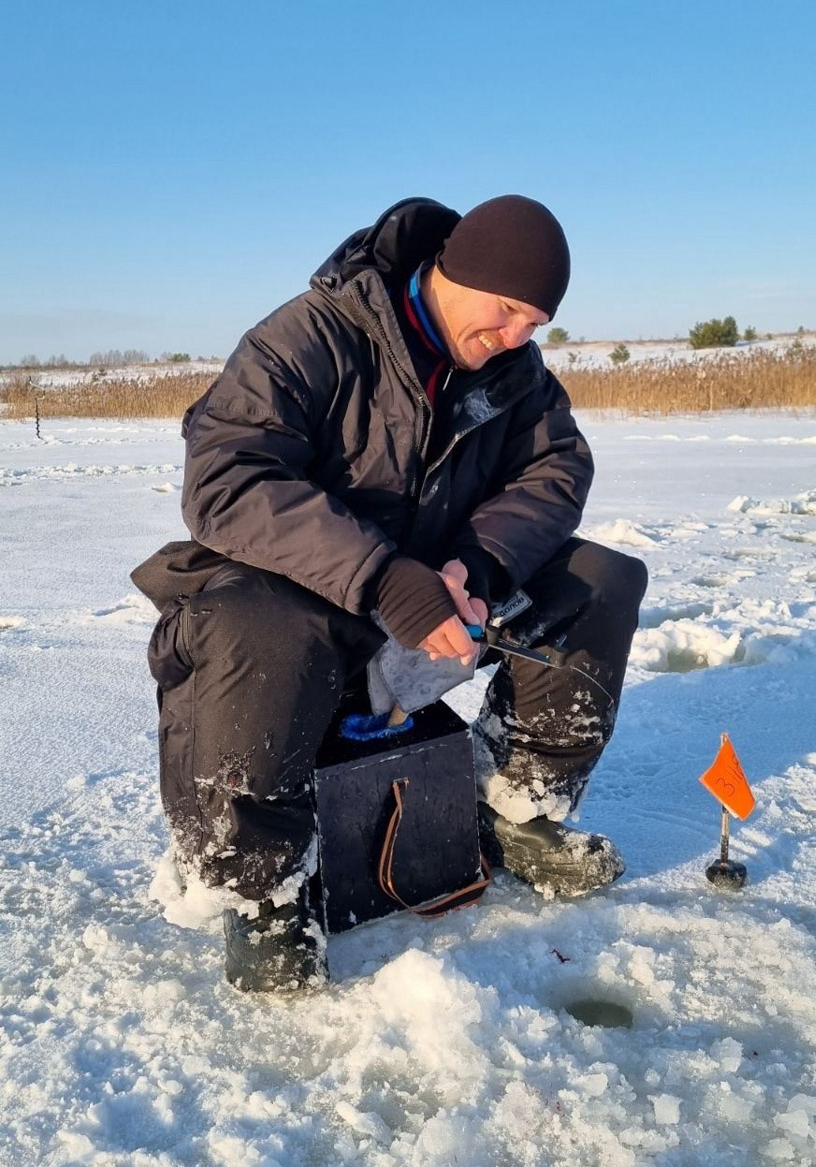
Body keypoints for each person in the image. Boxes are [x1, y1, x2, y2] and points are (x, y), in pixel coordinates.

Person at [132, 195, 648, 993]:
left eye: (535, 323)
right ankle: (264, 888)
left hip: (440, 595)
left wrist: (477, 567)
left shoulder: (515, 375)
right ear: (452, 272)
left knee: (599, 580)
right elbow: (226, 481)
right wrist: (380, 578)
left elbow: (555, 472)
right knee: (250, 620)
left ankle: (518, 805)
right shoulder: (311, 334)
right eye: (507, 310)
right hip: (297, 591)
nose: (517, 336)